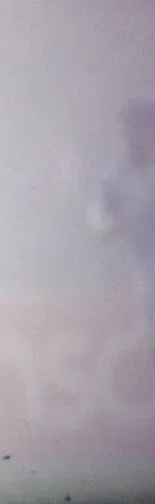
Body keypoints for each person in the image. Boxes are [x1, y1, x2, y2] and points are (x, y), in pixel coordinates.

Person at [89, 99, 155, 358]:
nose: (140, 136)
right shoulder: (113, 178)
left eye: (146, 128)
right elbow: (98, 221)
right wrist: (113, 225)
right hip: (137, 268)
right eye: (133, 129)